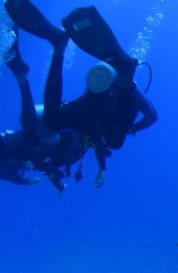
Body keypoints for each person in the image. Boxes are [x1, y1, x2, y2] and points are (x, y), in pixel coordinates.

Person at [3, 0, 158, 189]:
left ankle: (59, 46)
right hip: (95, 111)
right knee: (109, 139)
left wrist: (131, 130)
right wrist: (133, 127)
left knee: (56, 123)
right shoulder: (127, 99)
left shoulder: (123, 106)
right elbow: (151, 116)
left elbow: (149, 117)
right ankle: (62, 48)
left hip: (92, 114)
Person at [0, 31, 88, 192]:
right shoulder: (6, 167)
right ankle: (23, 76)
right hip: (43, 138)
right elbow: (42, 168)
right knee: (34, 133)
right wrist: (53, 184)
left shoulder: (6, 159)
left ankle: (22, 76)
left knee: (31, 132)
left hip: (39, 135)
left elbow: (18, 175)